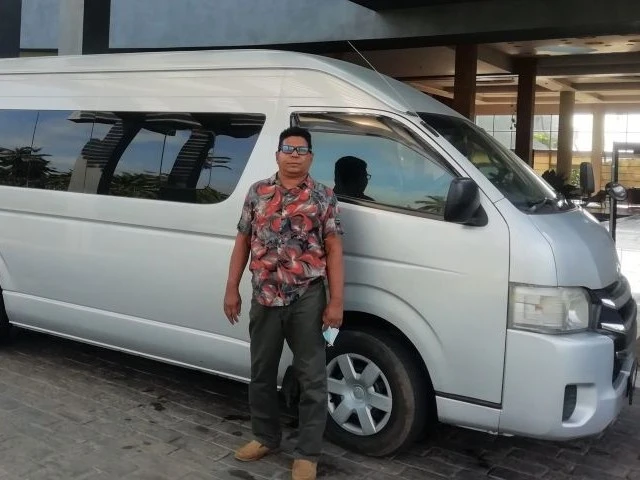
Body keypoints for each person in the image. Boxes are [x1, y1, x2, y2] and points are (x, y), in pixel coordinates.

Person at [223, 126, 344, 480]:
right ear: (277, 154)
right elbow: (242, 241)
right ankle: (265, 437)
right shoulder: (257, 192)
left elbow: (334, 249)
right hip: (264, 295)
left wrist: (336, 302)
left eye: (301, 150)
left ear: (311, 157)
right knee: (261, 372)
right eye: (288, 149)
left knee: (312, 378)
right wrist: (231, 288)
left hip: (307, 297)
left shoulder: (323, 197)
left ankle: (308, 454)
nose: (294, 155)